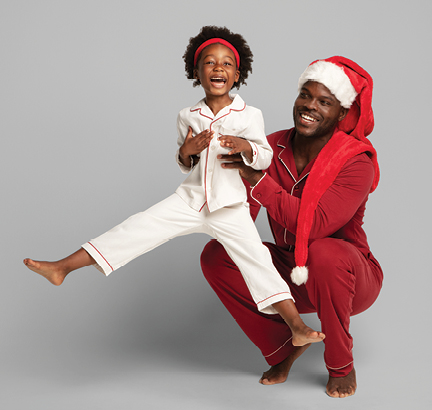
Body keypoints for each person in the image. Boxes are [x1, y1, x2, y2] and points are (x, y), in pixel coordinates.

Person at [23, 26, 325, 348]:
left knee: (257, 261)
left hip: (230, 206)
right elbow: (184, 161)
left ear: (237, 75)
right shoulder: (187, 115)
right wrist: (187, 150)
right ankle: (63, 267)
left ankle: (296, 327)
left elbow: (264, 159)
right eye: (209, 63)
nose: (218, 68)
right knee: (135, 228)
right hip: (189, 200)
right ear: (196, 72)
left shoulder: (250, 115)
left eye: (226, 64)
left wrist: (245, 147)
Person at [201, 56, 383, 398]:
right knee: (217, 255)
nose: (309, 106)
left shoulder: (357, 160)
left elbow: (316, 226)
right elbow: (243, 216)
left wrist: (257, 180)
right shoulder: (269, 147)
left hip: (350, 275)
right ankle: (284, 345)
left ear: (342, 113)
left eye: (324, 102)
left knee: (323, 250)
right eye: (305, 95)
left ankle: (341, 364)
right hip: (292, 267)